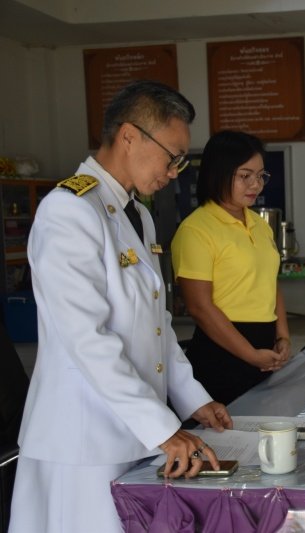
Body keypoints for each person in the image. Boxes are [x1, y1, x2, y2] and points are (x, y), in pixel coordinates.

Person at [8, 80, 233, 533]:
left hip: (132, 429)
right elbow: (86, 339)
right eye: (172, 156)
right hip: (82, 439)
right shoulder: (70, 210)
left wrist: (194, 399)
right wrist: (163, 427)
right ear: (130, 136)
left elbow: (157, 326)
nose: (175, 172)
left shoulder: (137, 215)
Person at [170, 130, 291, 406]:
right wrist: (250, 354)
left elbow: (271, 283)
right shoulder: (196, 229)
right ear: (218, 173)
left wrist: (282, 336)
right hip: (222, 352)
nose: (256, 185)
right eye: (244, 175)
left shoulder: (259, 225)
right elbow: (200, 308)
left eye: (260, 175)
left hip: (264, 349)